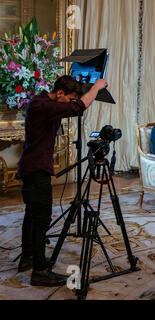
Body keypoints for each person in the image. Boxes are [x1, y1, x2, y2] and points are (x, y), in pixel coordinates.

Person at [17, 75, 108, 286]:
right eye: (69, 98)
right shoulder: (43, 106)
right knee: (41, 220)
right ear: (60, 93)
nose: (70, 103)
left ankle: (27, 258)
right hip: (36, 170)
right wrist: (96, 87)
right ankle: (39, 271)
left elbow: (72, 106)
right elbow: (78, 108)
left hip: (31, 168)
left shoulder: (42, 102)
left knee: (31, 216)